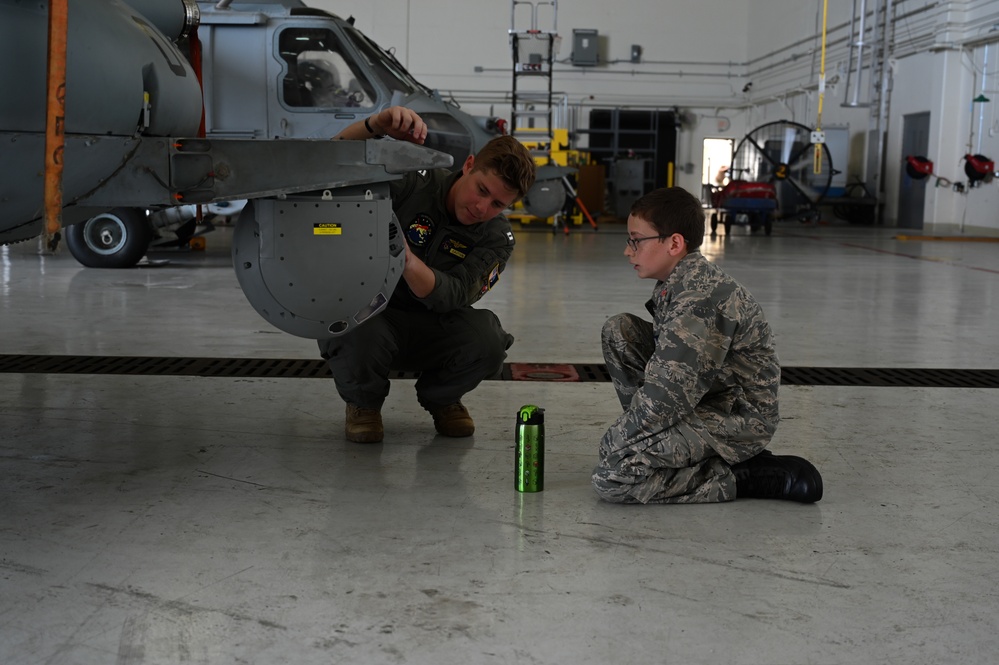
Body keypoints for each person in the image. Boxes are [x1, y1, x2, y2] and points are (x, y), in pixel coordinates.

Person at [319, 106, 537, 443]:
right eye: (481, 190)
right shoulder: (414, 182)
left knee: (487, 341)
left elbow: (454, 293)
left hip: (435, 325)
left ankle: (443, 398)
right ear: (468, 166)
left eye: (497, 204)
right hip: (375, 313)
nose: (482, 208)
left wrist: (406, 260)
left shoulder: (496, 237)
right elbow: (331, 165)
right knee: (347, 319)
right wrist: (375, 125)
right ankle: (363, 404)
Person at [592, 187, 822, 504]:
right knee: (620, 331)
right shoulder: (680, 282)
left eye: (636, 240)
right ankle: (660, 445)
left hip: (738, 420)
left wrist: (617, 441)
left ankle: (741, 476)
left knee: (612, 476)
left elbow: (666, 397)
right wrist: (631, 434)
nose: (627, 251)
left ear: (674, 243)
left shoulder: (698, 300)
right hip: (708, 397)